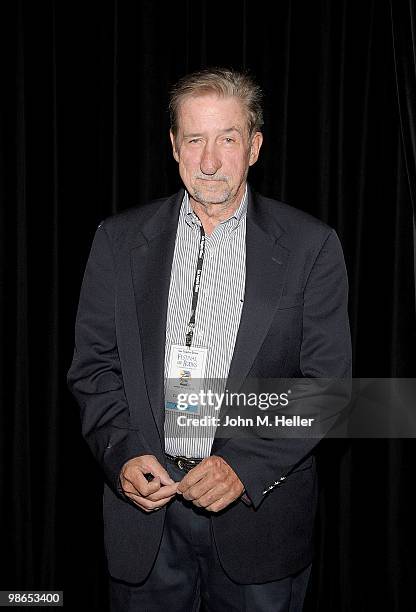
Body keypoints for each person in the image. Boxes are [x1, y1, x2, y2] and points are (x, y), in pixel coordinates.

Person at [67, 67, 351, 611]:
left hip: (258, 526)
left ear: (255, 146)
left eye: (228, 139)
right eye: (195, 139)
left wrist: (243, 467)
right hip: (145, 524)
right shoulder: (117, 241)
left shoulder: (312, 246)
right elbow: (93, 369)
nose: (211, 160)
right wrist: (123, 453)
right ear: (174, 146)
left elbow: (330, 389)